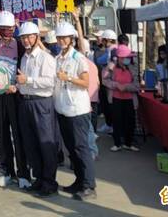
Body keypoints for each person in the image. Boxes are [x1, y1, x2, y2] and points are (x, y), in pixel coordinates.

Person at [0, 10, 30, 189]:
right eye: (3, 29)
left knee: (19, 135)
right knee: (2, 135)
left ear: (14, 28)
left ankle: (24, 173)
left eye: (10, 29)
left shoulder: (20, 45)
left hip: (17, 95)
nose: (6, 32)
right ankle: (4, 172)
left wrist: (17, 87)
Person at [54, 21, 96, 201]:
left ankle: (89, 185)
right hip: (63, 109)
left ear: (71, 39)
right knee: (71, 148)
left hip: (78, 110)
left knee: (81, 148)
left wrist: (68, 78)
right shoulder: (58, 58)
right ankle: (79, 181)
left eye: (65, 37)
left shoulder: (78, 58)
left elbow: (86, 82)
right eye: (59, 37)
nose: (62, 40)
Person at [15, 21, 57, 197]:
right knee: (31, 143)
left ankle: (49, 182)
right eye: (23, 37)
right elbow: (22, 82)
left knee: (45, 143)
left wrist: (28, 81)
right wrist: (17, 86)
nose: (25, 40)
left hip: (41, 104)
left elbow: (50, 81)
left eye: (28, 37)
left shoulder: (45, 58)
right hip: (26, 102)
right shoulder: (24, 58)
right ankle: (38, 178)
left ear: (36, 38)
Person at [102, 44, 140, 152]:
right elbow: (105, 80)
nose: (127, 59)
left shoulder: (133, 67)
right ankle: (117, 143)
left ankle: (128, 143)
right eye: (125, 57)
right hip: (116, 98)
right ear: (119, 58)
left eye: (128, 57)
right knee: (117, 120)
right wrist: (116, 85)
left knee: (130, 121)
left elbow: (137, 85)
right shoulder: (111, 67)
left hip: (129, 99)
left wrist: (126, 87)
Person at [95, 29, 118, 134]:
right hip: (109, 82)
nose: (102, 42)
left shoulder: (112, 50)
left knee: (110, 105)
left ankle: (112, 126)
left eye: (103, 39)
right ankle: (111, 125)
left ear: (107, 40)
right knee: (109, 105)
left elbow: (101, 61)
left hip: (110, 82)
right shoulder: (111, 50)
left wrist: (107, 69)